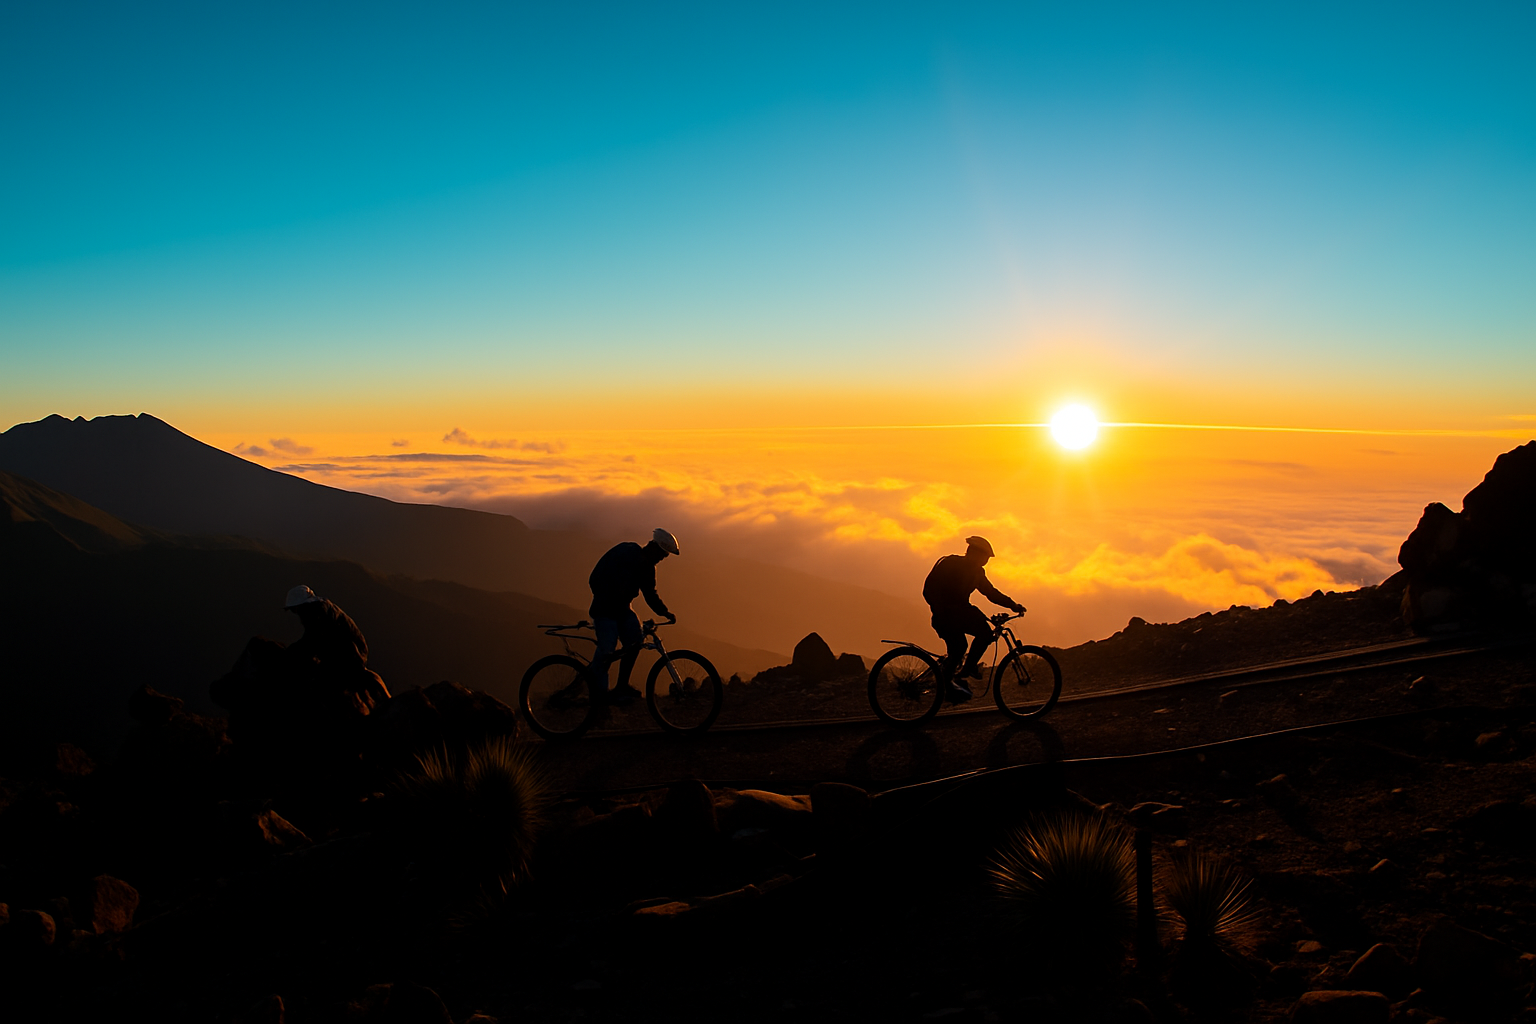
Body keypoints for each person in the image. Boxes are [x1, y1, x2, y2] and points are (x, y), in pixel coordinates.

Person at [922, 536, 1025, 702]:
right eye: (984, 557)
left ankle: (955, 679)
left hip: (957, 614)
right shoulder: (951, 564)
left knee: (961, 647)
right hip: (945, 616)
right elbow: (929, 590)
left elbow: (990, 593)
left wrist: (1012, 605)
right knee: (971, 640)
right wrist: (942, 609)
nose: (985, 561)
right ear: (975, 554)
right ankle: (959, 676)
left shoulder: (976, 572)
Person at [587, 528, 680, 705]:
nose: (662, 558)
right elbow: (596, 577)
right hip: (604, 610)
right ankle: (599, 697)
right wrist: (604, 595)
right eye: (662, 554)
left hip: (622, 610)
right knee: (607, 650)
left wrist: (664, 612)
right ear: (653, 547)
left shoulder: (647, 568)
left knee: (635, 641)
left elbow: (650, 594)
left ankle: (621, 687)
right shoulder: (626, 552)